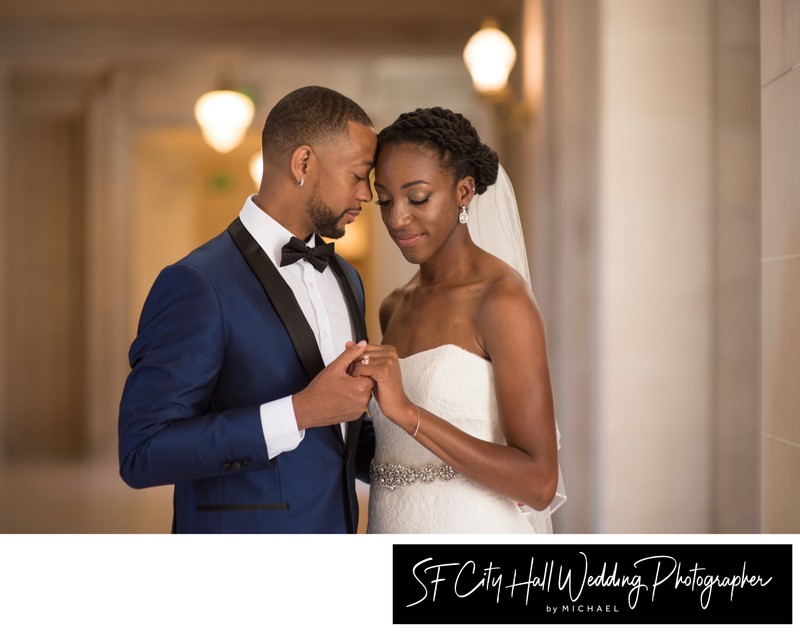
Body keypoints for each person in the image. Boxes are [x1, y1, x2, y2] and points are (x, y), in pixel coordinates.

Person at [118, 86, 377, 533]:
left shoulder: (347, 278)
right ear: (303, 164)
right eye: (358, 175)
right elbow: (143, 452)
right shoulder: (197, 284)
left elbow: (339, 441)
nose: (367, 193)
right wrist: (298, 412)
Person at [351, 107, 566, 533]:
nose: (397, 218)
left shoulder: (501, 301)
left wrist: (409, 413)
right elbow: (395, 456)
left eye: (417, 198)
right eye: (386, 200)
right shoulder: (393, 306)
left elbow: (540, 483)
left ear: (464, 191)